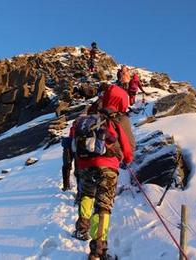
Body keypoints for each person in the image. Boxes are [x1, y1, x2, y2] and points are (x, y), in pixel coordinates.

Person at [72, 85, 135, 260]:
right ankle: (98, 251)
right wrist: (127, 160)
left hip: (85, 164)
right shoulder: (120, 119)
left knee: (87, 195)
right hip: (107, 166)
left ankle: (82, 227)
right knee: (103, 206)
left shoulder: (91, 116)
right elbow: (129, 146)